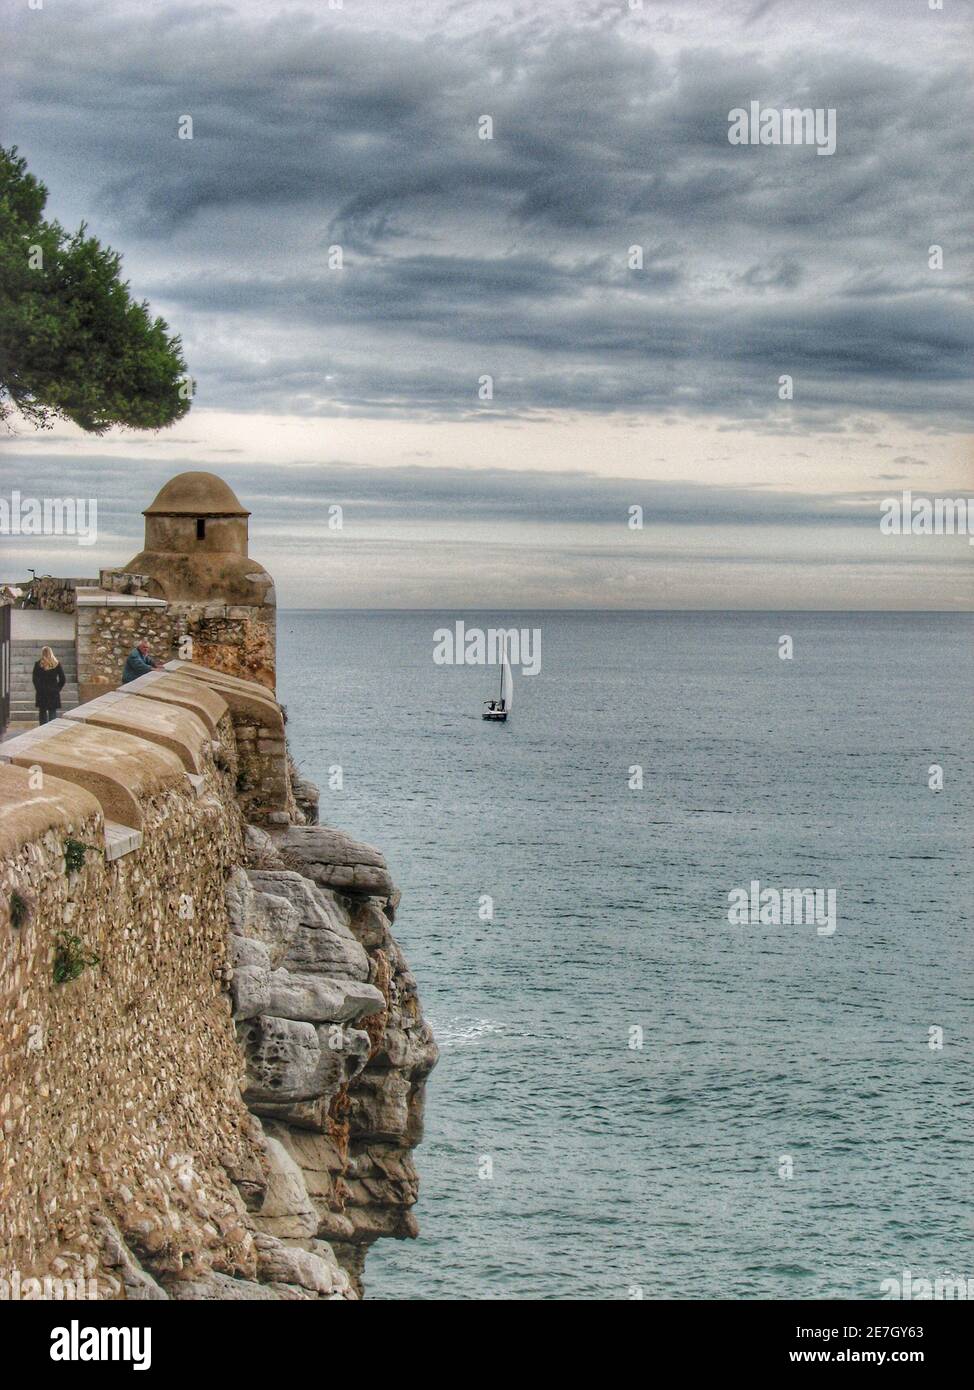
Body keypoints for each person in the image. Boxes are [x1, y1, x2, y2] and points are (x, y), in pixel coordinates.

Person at [32, 646, 66, 725]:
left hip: (42, 691)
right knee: (52, 712)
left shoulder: (38, 664)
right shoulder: (56, 664)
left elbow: (35, 680)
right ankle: (51, 730)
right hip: (53, 691)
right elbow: (63, 679)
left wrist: (39, 689)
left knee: (42, 712)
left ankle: (42, 730)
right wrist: (57, 688)